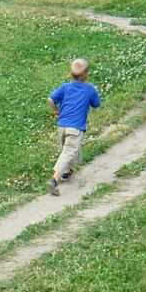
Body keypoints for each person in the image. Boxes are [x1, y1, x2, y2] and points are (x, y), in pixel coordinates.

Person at [47, 58, 101, 196]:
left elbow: (51, 99)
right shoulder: (89, 89)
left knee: (67, 150)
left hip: (62, 126)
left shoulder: (65, 87)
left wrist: (56, 111)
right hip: (76, 128)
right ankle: (54, 180)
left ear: (71, 74)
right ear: (86, 74)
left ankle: (67, 172)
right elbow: (96, 104)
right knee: (68, 152)